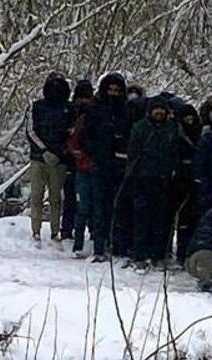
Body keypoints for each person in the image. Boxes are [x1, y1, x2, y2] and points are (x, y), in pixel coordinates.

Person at [126, 96, 181, 273]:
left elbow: (175, 151)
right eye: (156, 109)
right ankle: (139, 256)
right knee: (141, 219)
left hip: (163, 179)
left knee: (161, 220)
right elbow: (133, 153)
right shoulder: (140, 127)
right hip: (143, 179)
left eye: (162, 109)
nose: (159, 112)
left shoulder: (172, 128)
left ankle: (158, 255)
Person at [83, 72, 131, 262]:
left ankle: (117, 245)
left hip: (119, 164)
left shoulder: (125, 110)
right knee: (99, 207)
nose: (113, 93)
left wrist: (121, 149)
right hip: (100, 163)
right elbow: (87, 135)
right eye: (110, 90)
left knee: (118, 206)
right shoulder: (95, 109)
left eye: (117, 90)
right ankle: (99, 247)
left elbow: (129, 135)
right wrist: (96, 152)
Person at [26, 72, 75, 247]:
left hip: (59, 160)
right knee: (36, 196)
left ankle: (55, 232)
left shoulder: (70, 109)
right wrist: (44, 150)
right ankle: (35, 232)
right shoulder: (37, 107)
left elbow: (73, 133)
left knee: (56, 198)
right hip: (39, 158)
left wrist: (61, 152)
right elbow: (30, 130)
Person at [66, 79, 95, 258]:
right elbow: (72, 142)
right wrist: (79, 157)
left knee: (94, 207)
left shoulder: (95, 118)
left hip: (95, 167)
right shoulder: (73, 114)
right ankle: (75, 241)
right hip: (78, 166)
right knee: (79, 206)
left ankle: (93, 238)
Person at [171, 104, 203, 263]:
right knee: (182, 220)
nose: (189, 121)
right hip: (180, 181)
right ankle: (181, 253)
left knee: (195, 219)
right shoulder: (177, 135)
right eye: (186, 118)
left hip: (197, 181)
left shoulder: (201, 134)